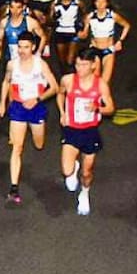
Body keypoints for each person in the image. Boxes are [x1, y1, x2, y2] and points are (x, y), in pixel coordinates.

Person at [0, 33, 60, 206]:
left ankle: (34, 133)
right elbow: (6, 82)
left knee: (39, 144)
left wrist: (36, 99)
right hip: (18, 109)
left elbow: (55, 87)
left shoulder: (40, 65)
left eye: (26, 47)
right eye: (20, 47)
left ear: (33, 48)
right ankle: (14, 188)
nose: (22, 51)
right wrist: (1, 105)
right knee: (17, 147)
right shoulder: (12, 64)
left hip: (36, 108)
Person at [57, 49, 115, 215]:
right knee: (67, 171)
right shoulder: (68, 80)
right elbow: (60, 94)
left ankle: (84, 193)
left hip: (90, 131)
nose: (79, 69)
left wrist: (98, 108)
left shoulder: (100, 85)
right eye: (77, 64)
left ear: (92, 66)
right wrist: (62, 113)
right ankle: (73, 169)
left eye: (83, 65)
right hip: (71, 129)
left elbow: (111, 108)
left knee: (87, 171)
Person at [79, 0, 130, 85]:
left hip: (108, 50)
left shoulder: (113, 16)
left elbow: (126, 26)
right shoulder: (90, 16)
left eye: (103, 2)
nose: (100, 4)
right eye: (98, 1)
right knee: (95, 78)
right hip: (94, 49)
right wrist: (81, 34)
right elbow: (85, 33)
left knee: (105, 82)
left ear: (107, 3)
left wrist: (120, 41)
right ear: (94, 3)